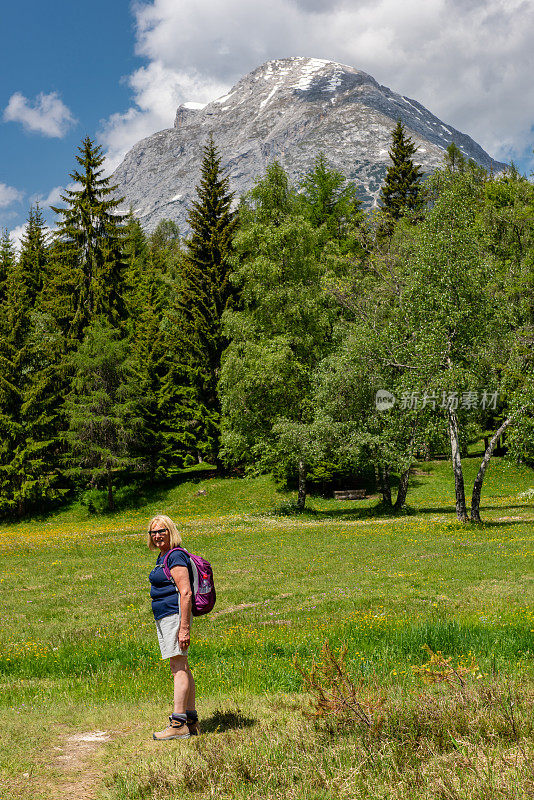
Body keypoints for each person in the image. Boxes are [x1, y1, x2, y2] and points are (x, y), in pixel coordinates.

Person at [147, 513, 199, 740]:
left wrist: (184, 628)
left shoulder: (175, 556)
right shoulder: (164, 555)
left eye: (162, 531)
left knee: (178, 667)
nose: (157, 535)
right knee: (182, 666)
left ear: (171, 532)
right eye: (153, 532)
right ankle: (191, 721)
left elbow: (185, 592)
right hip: (168, 617)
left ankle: (178, 724)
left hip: (174, 617)